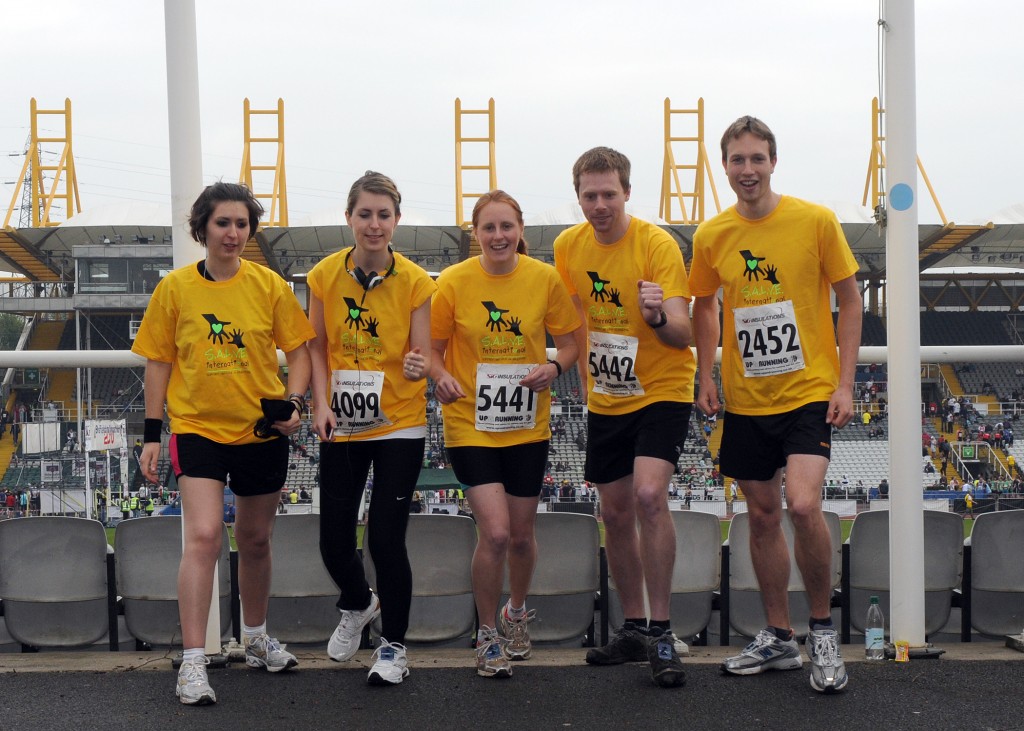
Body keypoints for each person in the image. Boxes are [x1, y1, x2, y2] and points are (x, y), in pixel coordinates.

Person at [691, 116, 862, 694]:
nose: (747, 170)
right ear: (725, 165)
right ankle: (778, 635)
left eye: (757, 158)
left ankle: (822, 632)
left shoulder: (815, 221)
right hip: (744, 397)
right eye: (737, 160)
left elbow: (849, 297)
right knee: (760, 515)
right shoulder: (712, 235)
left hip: (809, 391)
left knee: (805, 505)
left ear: (773, 161)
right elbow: (704, 305)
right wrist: (704, 372)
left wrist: (844, 382)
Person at [133, 181, 314, 706]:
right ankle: (193, 661)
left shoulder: (270, 286)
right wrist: (152, 433)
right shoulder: (175, 290)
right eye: (222, 223)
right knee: (206, 536)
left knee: (256, 540)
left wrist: (294, 402)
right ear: (203, 228)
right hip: (198, 429)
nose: (232, 234)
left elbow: (299, 350)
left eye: (241, 224)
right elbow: (159, 362)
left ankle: (255, 638)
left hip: (259, 430)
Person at [554, 147, 694, 688]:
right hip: (608, 396)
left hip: (662, 387)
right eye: (589, 195)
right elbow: (572, 322)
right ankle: (633, 627)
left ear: (627, 193)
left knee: (648, 496)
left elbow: (682, 334)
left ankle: (662, 631)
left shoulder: (656, 244)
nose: (599, 204)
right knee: (612, 512)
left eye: (609, 193)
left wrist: (657, 314)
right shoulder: (568, 246)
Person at [430, 190, 580, 678]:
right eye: (488, 228)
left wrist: (554, 366)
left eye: (506, 227)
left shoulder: (544, 279)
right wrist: (441, 376)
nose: (498, 236)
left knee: (520, 535)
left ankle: (517, 612)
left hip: (526, 424)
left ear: (521, 231)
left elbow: (573, 344)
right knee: (494, 533)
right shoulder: (452, 283)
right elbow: (430, 350)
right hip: (470, 423)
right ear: (475, 234)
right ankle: (488, 633)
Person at [308, 171, 436, 686]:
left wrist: (416, 366)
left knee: (385, 540)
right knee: (333, 540)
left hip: (399, 424)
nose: (374, 224)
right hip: (342, 421)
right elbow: (315, 344)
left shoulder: (417, 281)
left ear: (397, 220)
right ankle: (359, 604)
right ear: (349, 218)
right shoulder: (322, 276)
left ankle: (394, 647)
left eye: (384, 214)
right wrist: (319, 402)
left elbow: (422, 352)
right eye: (365, 214)